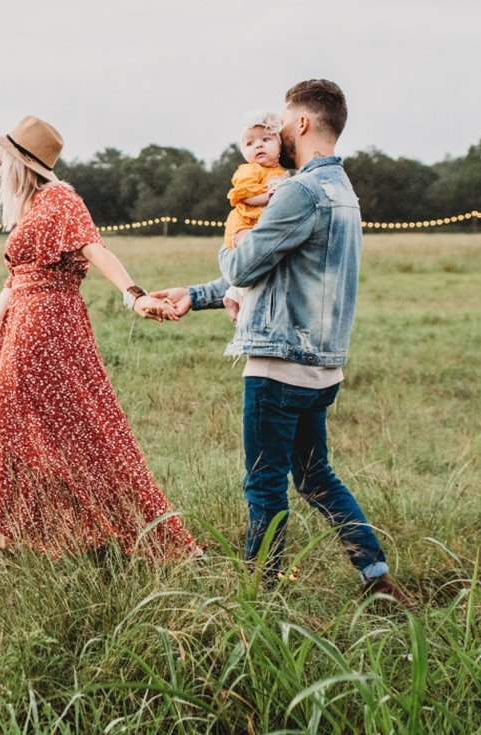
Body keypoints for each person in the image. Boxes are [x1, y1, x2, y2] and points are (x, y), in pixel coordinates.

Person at [152, 80, 412, 604]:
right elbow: (278, 273)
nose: (277, 133)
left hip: (279, 365)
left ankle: (260, 594)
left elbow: (246, 263)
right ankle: (376, 578)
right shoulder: (343, 191)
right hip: (322, 368)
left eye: (284, 122)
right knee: (316, 477)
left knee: (263, 483)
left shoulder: (298, 191)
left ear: (303, 124)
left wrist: (235, 241)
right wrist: (196, 295)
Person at [0, 114, 199, 558]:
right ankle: (27, 539)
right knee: (22, 433)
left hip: (47, 328)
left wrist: (133, 295)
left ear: (21, 162)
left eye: (2, 156)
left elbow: (95, 247)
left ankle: (95, 533)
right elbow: (11, 286)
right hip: (23, 328)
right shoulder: (31, 209)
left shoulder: (60, 199)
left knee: (79, 431)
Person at [221, 112, 290, 321]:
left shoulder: (283, 173)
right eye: (250, 143)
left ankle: (235, 294)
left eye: (266, 140)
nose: (258, 146)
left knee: (262, 259)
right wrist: (265, 197)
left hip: (259, 224)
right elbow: (243, 194)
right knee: (250, 252)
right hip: (243, 223)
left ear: (279, 148)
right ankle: (236, 295)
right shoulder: (249, 170)